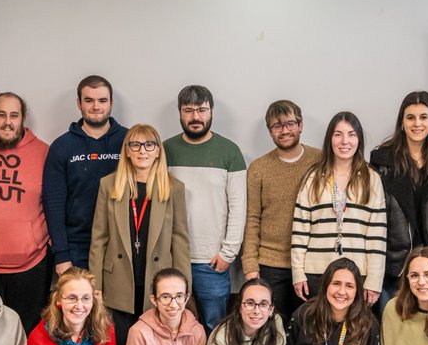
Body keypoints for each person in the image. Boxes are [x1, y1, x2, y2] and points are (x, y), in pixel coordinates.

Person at [90, 124, 191, 345]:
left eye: (149, 145)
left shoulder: (173, 188)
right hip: (118, 282)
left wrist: (183, 289)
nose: (142, 151)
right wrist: (95, 288)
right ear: (127, 151)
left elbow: (180, 240)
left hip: (156, 283)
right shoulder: (109, 185)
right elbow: (99, 239)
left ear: (158, 151)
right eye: (135, 144)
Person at [0, 91, 52, 335]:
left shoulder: (44, 152)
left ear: (23, 118)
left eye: (14, 115)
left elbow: (54, 203)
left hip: (31, 265)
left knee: (27, 335)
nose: (7, 122)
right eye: (1, 114)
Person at [163, 85, 247, 331]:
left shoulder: (229, 152)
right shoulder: (165, 151)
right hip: (172, 257)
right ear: (179, 113)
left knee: (214, 327)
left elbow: (238, 207)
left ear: (211, 111)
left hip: (212, 261)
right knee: (174, 328)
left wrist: (228, 254)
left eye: (202, 110)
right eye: (188, 110)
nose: (196, 117)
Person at [369, 91, 428, 311]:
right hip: (394, 265)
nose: (417, 124)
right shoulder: (382, 161)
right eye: (410, 117)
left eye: (423, 117)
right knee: (393, 329)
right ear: (402, 122)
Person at [291, 112, 387, 305]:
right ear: (330, 139)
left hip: (357, 274)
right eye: (338, 134)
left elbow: (377, 235)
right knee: (317, 330)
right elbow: (300, 229)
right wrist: (298, 272)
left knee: (352, 332)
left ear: (359, 140)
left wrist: (375, 280)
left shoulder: (371, 178)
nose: (345, 141)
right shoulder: (313, 177)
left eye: (351, 134)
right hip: (316, 273)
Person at [243, 100, 320, 324]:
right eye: (277, 126)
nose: (284, 130)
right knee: (273, 329)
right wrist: (250, 265)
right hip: (270, 264)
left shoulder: (320, 160)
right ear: (270, 131)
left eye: (290, 123)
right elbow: (252, 218)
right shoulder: (259, 168)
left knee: (307, 327)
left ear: (301, 125)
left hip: (310, 262)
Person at [44, 75, 127, 275]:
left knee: (117, 307)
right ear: (79, 103)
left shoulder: (129, 141)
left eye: (102, 100)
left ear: (111, 103)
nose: (96, 106)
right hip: (77, 248)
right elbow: (53, 204)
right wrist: (62, 255)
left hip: (120, 245)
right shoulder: (62, 146)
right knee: (79, 306)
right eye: (89, 100)